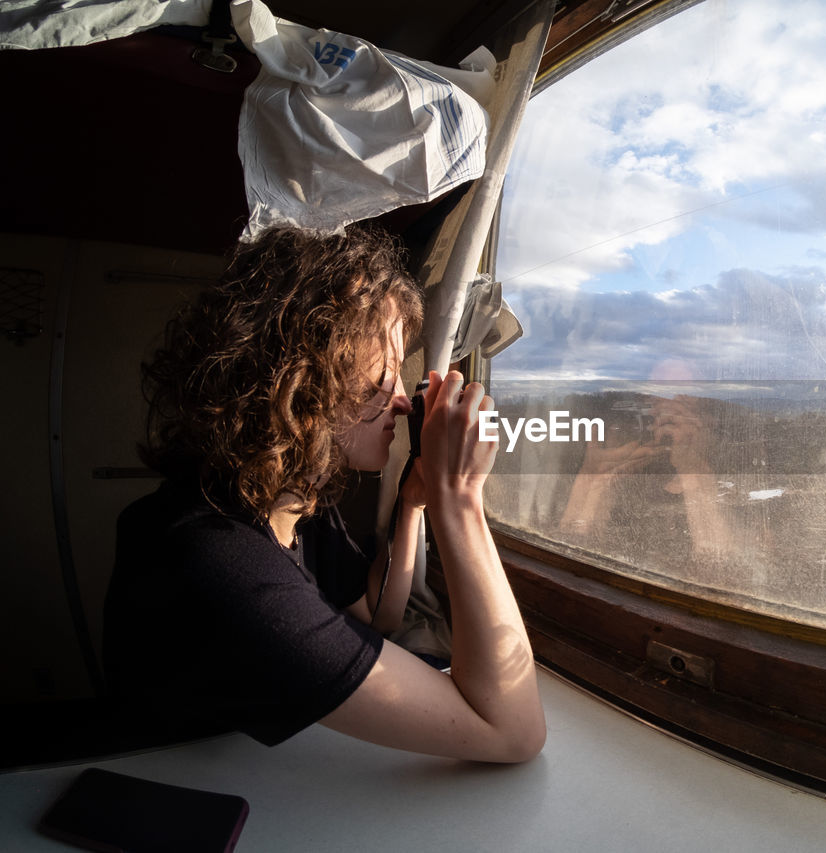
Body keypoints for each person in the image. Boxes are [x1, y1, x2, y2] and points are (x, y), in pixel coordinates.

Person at [103, 227, 544, 763]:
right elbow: (512, 732)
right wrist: (462, 498)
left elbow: (377, 615)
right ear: (300, 375)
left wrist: (415, 504)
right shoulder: (219, 562)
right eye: (386, 373)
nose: (404, 403)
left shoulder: (287, 501)